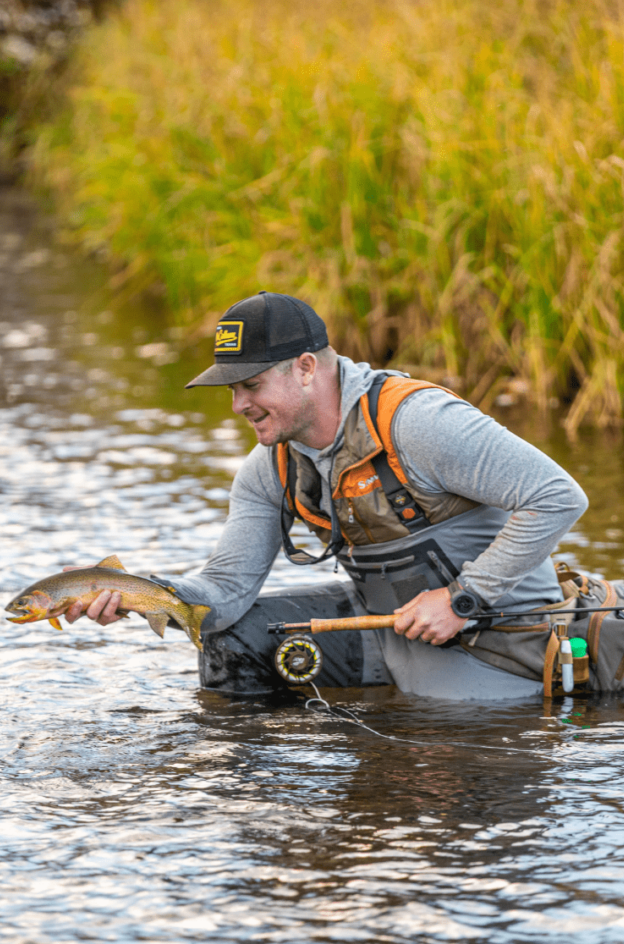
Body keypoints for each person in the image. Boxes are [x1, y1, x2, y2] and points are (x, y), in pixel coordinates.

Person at [66, 291, 590, 699]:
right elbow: (225, 592)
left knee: (438, 749)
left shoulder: (419, 423)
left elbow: (558, 497)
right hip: (387, 634)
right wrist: (137, 593)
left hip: (498, 641)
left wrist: (462, 598)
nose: (238, 405)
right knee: (232, 637)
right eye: (231, 389)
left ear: (306, 368)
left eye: (250, 384)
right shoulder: (267, 468)